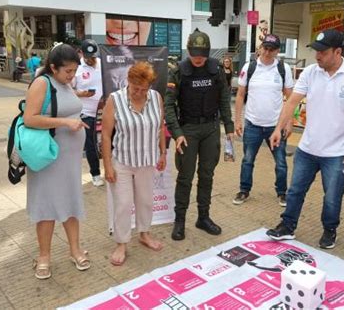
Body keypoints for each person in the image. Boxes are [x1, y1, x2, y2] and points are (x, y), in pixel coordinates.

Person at [266, 29, 344, 249]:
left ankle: (329, 230)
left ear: (337, 52)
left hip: (338, 152)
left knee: (332, 196)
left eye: (323, 52)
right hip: (308, 147)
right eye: (316, 51)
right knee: (295, 190)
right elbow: (292, 102)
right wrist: (278, 128)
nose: (318, 56)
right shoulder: (310, 73)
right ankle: (287, 226)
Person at [24, 43, 90, 279]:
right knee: (46, 205)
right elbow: (29, 118)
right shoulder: (42, 83)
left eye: (74, 71)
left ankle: (75, 249)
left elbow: (66, 105)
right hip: (48, 157)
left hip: (69, 159)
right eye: (68, 72)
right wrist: (65, 123)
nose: (72, 76)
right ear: (53, 67)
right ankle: (44, 256)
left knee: (71, 200)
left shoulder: (65, 83)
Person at [165, 28, 234, 241]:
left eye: (202, 54)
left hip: (211, 129)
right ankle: (180, 221)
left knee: (207, 175)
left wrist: (229, 127)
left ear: (208, 53)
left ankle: (203, 217)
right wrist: (177, 134)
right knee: (185, 177)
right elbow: (168, 105)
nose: (198, 58)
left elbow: (224, 98)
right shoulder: (178, 70)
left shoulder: (217, 70)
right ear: (188, 51)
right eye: (194, 54)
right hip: (188, 130)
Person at [101, 61, 166, 266]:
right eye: (135, 88)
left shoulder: (156, 98)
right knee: (123, 203)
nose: (139, 93)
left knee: (146, 200)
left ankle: (144, 233)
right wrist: (108, 165)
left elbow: (160, 127)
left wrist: (163, 152)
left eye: (144, 89)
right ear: (128, 81)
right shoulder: (115, 100)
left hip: (147, 160)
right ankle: (121, 242)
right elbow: (105, 135)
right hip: (122, 161)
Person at [232, 34, 294, 206]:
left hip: (276, 126)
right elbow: (240, 95)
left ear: (277, 51)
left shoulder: (283, 69)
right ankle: (244, 190)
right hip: (252, 124)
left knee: (281, 162)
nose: (267, 52)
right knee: (248, 160)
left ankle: (282, 193)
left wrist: (289, 123)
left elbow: (290, 97)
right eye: (265, 48)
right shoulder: (249, 67)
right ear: (260, 48)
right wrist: (238, 121)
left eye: (271, 49)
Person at [73, 39, 104, 187]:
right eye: (88, 57)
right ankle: (96, 174)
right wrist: (82, 94)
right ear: (81, 54)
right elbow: (69, 90)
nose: (91, 60)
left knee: (109, 141)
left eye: (93, 56)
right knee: (91, 145)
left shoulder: (102, 64)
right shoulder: (77, 68)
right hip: (86, 112)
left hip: (105, 111)